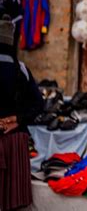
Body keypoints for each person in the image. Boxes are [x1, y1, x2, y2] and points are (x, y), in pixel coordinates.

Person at [0, 13, 44, 210]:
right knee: (12, 204)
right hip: (15, 143)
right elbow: (39, 105)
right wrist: (18, 119)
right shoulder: (22, 69)